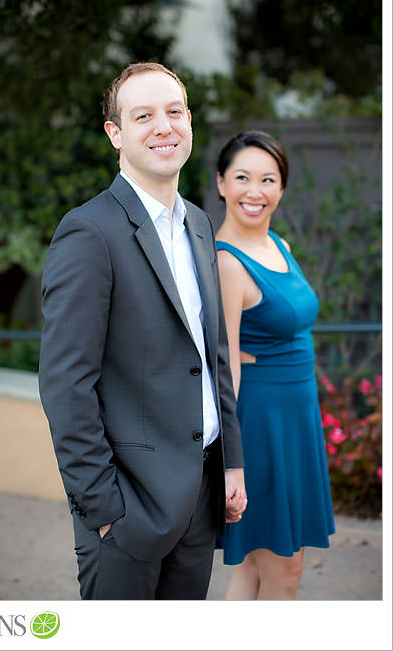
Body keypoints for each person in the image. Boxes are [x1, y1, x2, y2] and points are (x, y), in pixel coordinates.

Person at [38, 62, 247, 600]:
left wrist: (231, 464)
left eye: (174, 112)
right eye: (143, 115)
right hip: (126, 511)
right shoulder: (88, 231)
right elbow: (66, 385)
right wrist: (104, 509)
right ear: (116, 133)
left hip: (200, 500)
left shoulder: (200, 225)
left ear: (190, 123)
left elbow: (213, 356)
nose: (164, 127)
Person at [214, 131, 335, 599]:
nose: (255, 191)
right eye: (242, 177)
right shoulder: (228, 263)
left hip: (296, 424)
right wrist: (232, 464)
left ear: (281, 189)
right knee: (286, 574)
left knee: (252, 571)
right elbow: (227, 368)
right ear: (222, 182)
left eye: (268, 180)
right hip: (261, 430)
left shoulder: (279, 243)